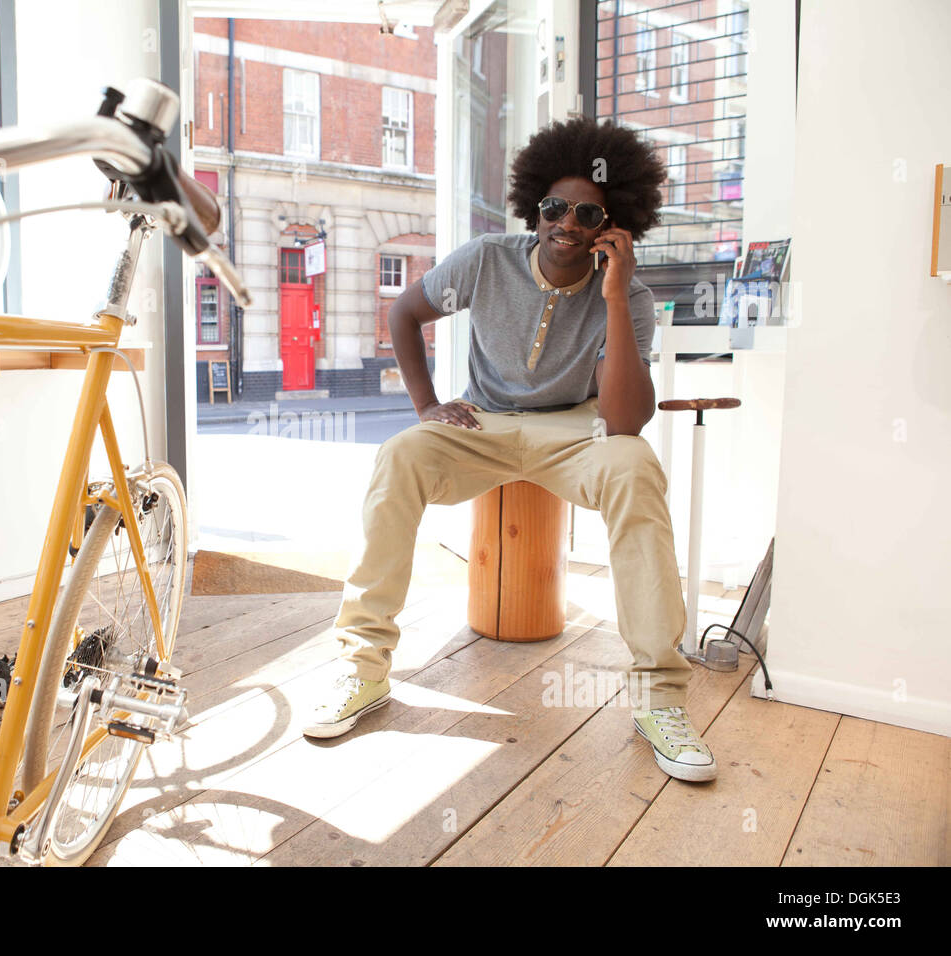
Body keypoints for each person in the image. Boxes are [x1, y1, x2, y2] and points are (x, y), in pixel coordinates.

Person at [301, 117, 717, 783]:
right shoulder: (487, 260)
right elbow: (404, 313)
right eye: (555, 207)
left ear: (614, 224)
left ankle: (659, 698)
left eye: (589, 213)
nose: (567, 223)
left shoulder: (629, 297)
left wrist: (612, 296)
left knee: (636, 466)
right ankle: (362, 666)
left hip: (575, 431)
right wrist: (427, 407)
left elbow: (626, 420)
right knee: (402, 454)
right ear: (535, 207)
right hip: (483, 424)